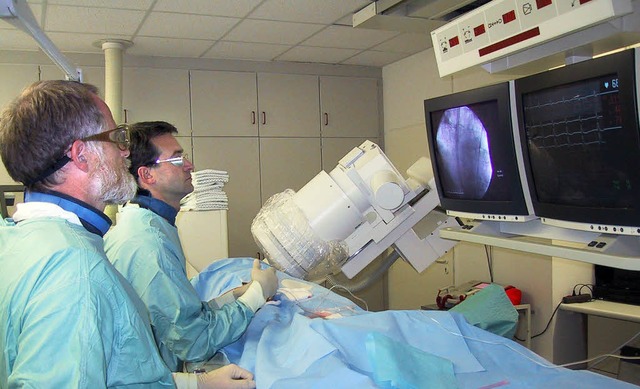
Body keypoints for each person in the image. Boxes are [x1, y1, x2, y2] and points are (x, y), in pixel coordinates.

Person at [0, 80, 255, 389]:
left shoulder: (17, 239)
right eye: (115, 138)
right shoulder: (76, 270)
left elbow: (112, 369)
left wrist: (191, 384)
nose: (125, 152)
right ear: (81, 156)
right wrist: (255, 297)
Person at [104, 121, 278, 373]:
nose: (189, 165)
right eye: (176, 160)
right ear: (146, 175)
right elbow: (193, 342)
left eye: (183, 156)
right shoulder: (148, 243)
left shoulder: (149, 222)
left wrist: (232, 297)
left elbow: (175, 315)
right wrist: (257, 295)